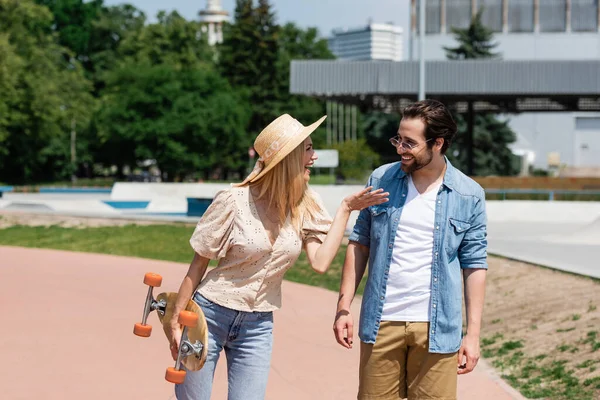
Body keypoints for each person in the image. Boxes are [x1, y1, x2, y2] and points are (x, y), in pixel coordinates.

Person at [170, 113, 389, 400]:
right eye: (308, 149)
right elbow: (198, 265)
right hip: (209, 315)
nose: (314, 157)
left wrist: (346, 209)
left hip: (258, 325)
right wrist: (176, 321)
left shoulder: (306, 204)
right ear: (287, 158)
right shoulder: (233, 201)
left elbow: (321, 263)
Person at [333, 100, 488, 400]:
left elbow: (475, 265)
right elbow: (359, 244)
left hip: (437, 328)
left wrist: (473, 335)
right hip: (382, 323)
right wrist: (343, 307)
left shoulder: (469, 195)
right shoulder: (381, 180)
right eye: (398, 139)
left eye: (409, 143)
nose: (400, 148)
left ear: (438, 143)